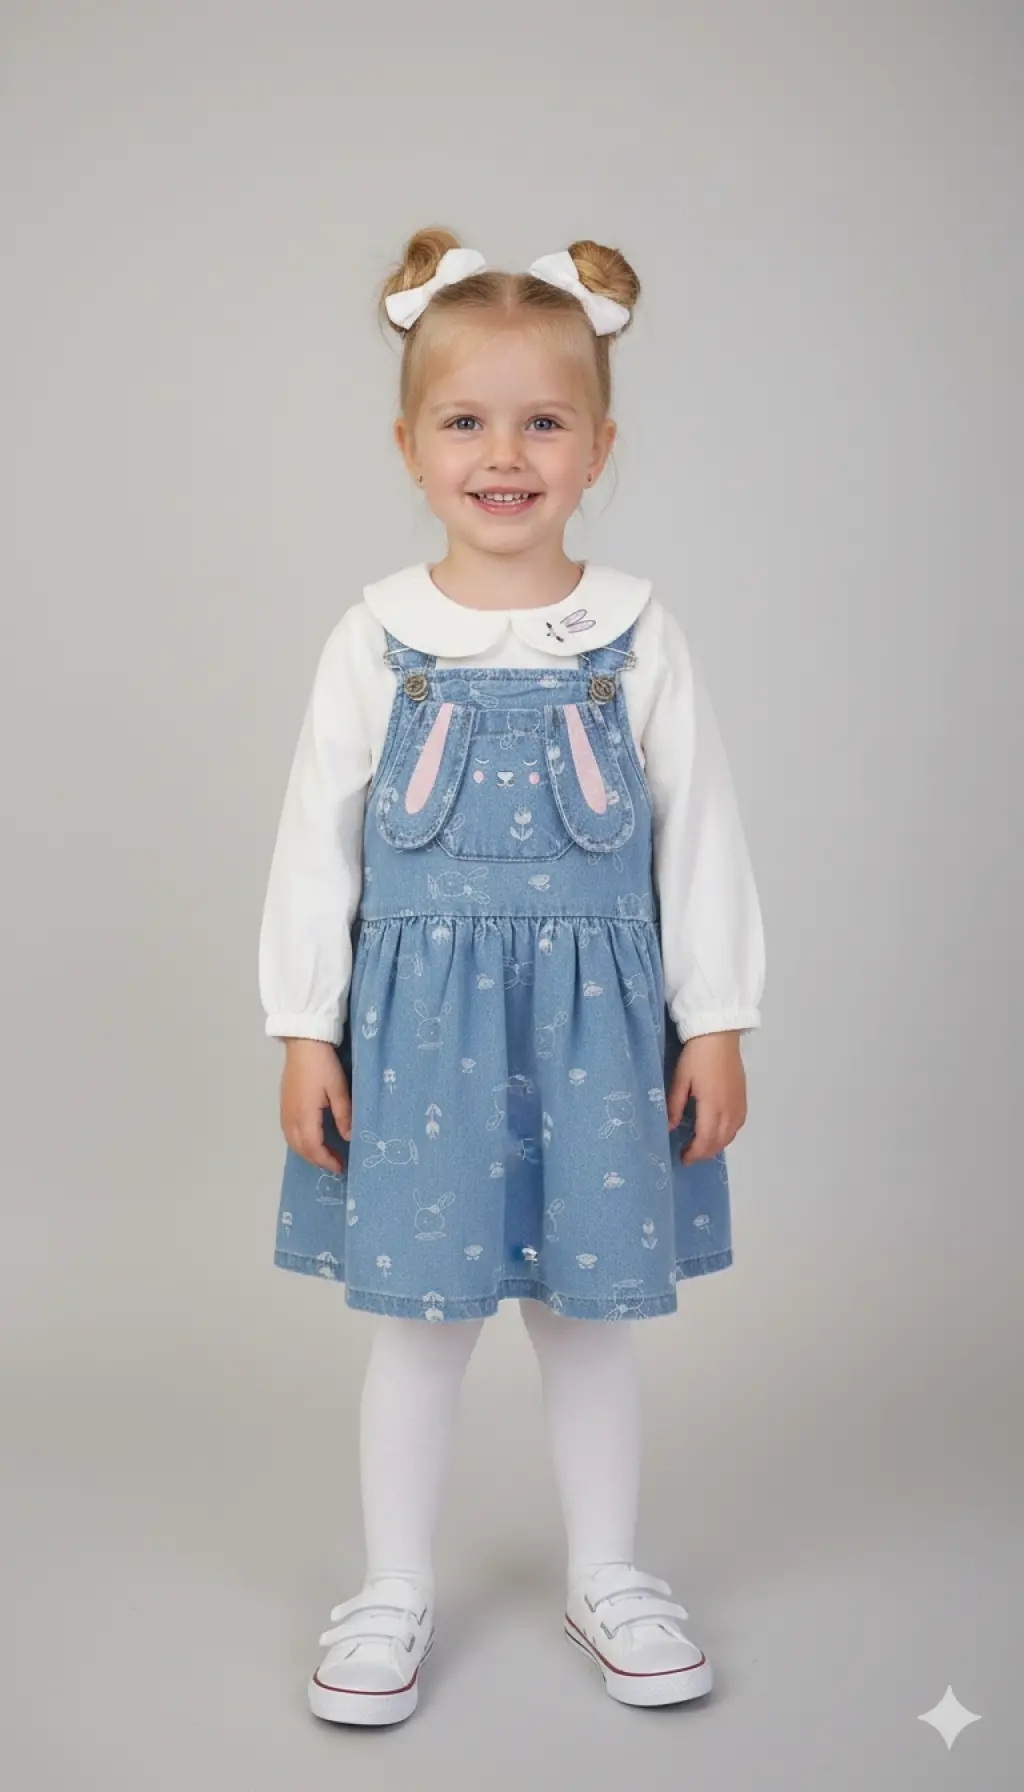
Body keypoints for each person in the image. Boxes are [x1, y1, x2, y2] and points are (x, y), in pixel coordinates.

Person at [258, 228, 766, 1726]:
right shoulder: (376, 637)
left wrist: (717, 1019)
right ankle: (391, 1585)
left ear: (599, 448)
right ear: (409, 446)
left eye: (544, 421)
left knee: (588, 1318)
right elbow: (313, 844)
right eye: (466, 421)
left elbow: (703, 833)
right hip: (420, 1038)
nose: (504, 455)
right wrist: (302, 1028)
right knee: (421, 1324)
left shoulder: (637, 633)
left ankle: (608, 1573)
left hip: (599, 1032)